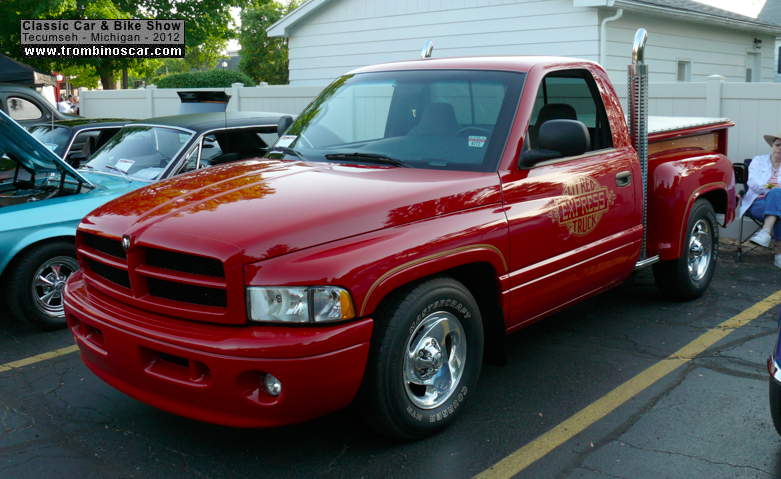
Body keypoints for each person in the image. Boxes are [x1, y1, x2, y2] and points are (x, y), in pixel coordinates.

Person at [742, 133, 781, 268]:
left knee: (777, 199)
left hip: (776, 203)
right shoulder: (758, 161)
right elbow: (753, 183)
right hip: (757, 202)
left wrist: (773, 190)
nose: (780, 148)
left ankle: (765, 232)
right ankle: (779, 255)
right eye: (778, 145)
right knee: (777, 197)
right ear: (772, 145)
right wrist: (773, 189)